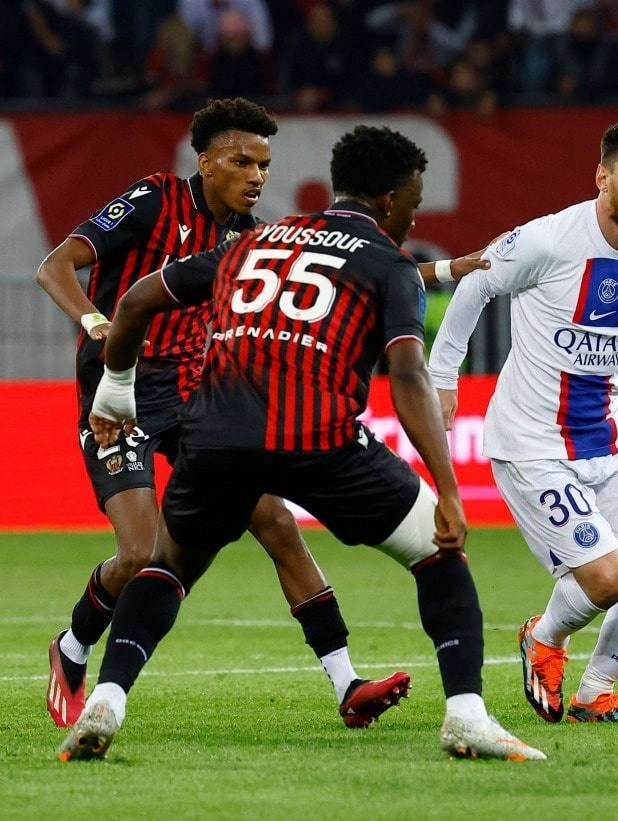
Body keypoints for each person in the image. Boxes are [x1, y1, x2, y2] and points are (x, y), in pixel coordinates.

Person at [57, 124, 544, 763]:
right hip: (318, 438)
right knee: (437, 551)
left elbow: (138, 299)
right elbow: (407, 374)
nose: (413, 215)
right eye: (415, 203)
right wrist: (448, 487)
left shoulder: (256, 240)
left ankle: (107, 700)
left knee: (167, 564)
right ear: (391, 201)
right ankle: (467, 716)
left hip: (215, 436)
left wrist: (114, 390)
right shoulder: (388, 261)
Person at [36, 98, 409, 733]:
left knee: (275, 519)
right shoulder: (154, 199)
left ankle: (347, 682)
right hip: (115, 397)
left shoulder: (250, 237)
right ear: (206, 163)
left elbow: (336, 279)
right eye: (242, 162)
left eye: (264, 165)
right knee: (139, 554)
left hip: (193, 393)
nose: (256, 176)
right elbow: (55, 266)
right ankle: (73, 646)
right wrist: (96, 322)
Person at [428, 118, 618, 724]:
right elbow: (475, 285)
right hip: (531, 443)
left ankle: (595, 692)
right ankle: (543, 638)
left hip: (608, 437)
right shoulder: (549, 239)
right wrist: (443, 375)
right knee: (608, 578)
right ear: (602, 176)